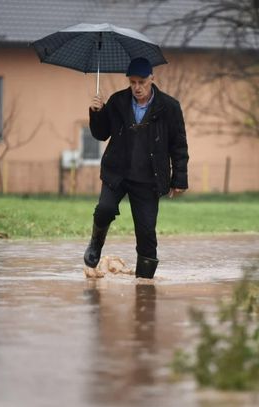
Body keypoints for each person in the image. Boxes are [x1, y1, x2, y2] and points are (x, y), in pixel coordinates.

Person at [84, 57, 189, 279]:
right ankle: (95, 243)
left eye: (141, 82)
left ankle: (144, 282)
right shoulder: (118, 101)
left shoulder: (169, 107)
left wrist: (179, 178)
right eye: (132, 82)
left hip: (149, 179)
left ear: (152, 78)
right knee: (104, 209)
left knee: (146, 232)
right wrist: (97, 112)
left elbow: (178, 145)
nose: (137, 88)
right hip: (117, 173)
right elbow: (101, 133)